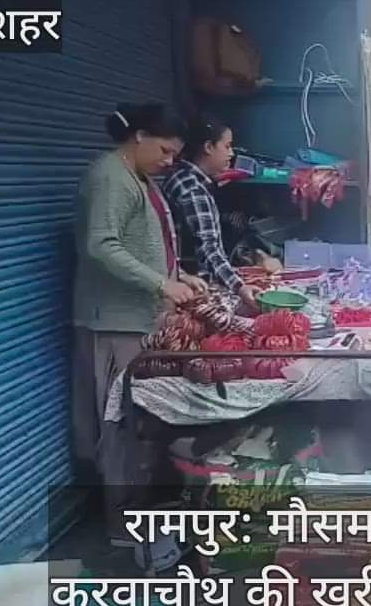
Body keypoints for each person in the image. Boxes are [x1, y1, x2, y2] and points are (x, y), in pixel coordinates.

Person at [72, 103, 205, 469]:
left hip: (138, 322)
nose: (168, 162)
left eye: (175, 156)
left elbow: (146, 242)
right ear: (140, 136)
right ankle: (120, 518)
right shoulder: (111, 178)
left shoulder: (141, 178)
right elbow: (101, 244)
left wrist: (178, 275)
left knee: (137, 419)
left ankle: (135, 501)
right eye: (164, 151)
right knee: (117, 421)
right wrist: (161, 283)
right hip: (114, 323)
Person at [163, 118, 261, 307]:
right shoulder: (192, 189)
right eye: (227, 146)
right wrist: (239, 287)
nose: (231, 154)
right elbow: (208, 249)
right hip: (193, 289)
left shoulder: (181, 177)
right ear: (208, 147)